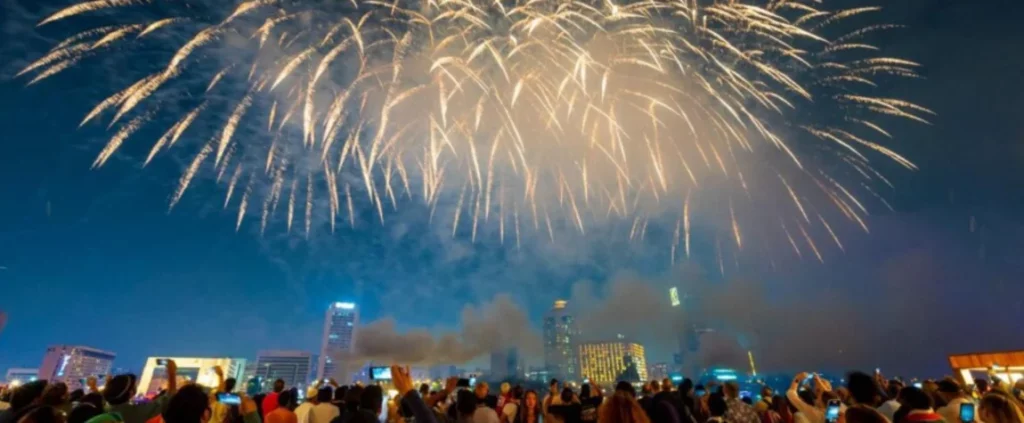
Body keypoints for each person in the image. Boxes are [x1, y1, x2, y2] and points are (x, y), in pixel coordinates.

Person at [105, 363, 178, 423]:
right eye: (135, 385)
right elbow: (168, 400)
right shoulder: (133, 413)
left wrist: (108, 385)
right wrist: (172, 373)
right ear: (131, 393)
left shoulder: (105, 409)